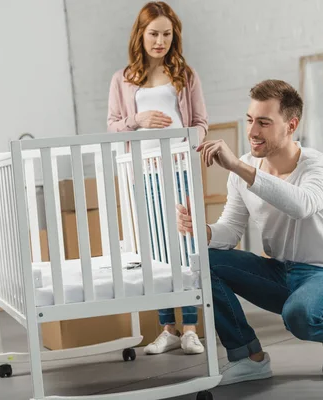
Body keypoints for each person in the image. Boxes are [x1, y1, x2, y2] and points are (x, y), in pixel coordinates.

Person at [177, 79, 323, 385]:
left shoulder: (319, 166)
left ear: (291, 125)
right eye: (250, 120)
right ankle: (248, 357)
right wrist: (203, 230)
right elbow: (232, 229)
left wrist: (239, 167)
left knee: (301, 315)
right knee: (205, 260)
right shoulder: (245, 169)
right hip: (281, 272)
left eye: (264, 123)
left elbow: (302, 205)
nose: (252, 132)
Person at [107, 1, 208, 356]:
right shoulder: (123, 79)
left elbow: (201, 124)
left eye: (167, 34)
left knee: (185, 247)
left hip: (179, 170)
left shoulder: (186, 75)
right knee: (155, 250)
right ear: (141, 34)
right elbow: (113, 127)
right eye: (154, 34)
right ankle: (168, 327)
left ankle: (192, 327)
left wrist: (184, 140)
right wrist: (138, 121)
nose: (160, 41)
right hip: (142, 175)